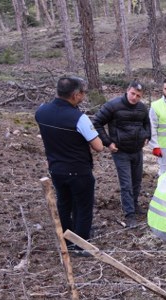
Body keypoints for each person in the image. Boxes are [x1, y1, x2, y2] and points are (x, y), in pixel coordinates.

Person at [35, 76, 104, 253]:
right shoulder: (79, 118)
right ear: (74, 95)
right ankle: (81, 244)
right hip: (79, 170)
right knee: (83, 206)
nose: (83, 96)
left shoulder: (41, 112)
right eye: (82, 93)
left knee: (64, 203)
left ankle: (66, 238)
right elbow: (98, 146)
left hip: (56, 168)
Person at [92, 81, 150, 228]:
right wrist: (108, 143)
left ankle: (135, 205)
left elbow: (147, 123)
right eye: (133, 93)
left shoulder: (142, 108)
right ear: (127, 90)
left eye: (138, 95)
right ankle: (129, 214)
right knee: (126, 184)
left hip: (137, 150)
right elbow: (97, 122)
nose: (135, 97)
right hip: (120, 151)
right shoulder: (112, 105)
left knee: (137, 180)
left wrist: (147, 136)